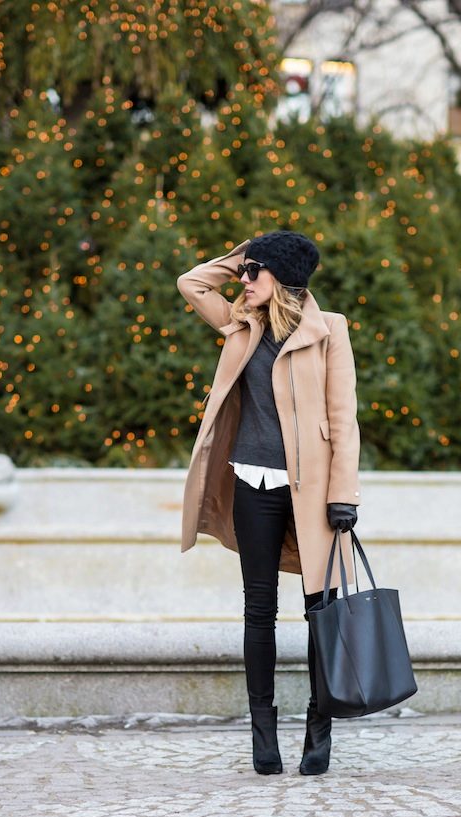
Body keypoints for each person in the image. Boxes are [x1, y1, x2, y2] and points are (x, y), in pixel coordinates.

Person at [177, 231, 360, 775]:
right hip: (252, 485)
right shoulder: (241, 323)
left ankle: (319, 727)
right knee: (258, 611)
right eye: (244, 270)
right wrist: (241, 256)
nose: (244, 279)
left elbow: (344, 419)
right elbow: (192, 283)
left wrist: (343, 494)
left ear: (282, 277)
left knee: (321, 611)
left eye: (255, 271)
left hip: (314, 493)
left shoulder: (330, 331)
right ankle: (263, 733)